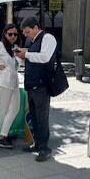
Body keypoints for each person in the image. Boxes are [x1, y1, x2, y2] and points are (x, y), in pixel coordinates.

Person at [15, 17, 57, 162]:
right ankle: (38, 144)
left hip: (42, 85)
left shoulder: (48, 38)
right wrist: (22, 55)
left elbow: (45, 57)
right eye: (25, 33)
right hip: (32, 85)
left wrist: (26, 54)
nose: (26, 35)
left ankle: (45, 148)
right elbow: (32, 57)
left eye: (27, 32)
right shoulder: (33, 41)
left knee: (42, 117)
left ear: (35, 27)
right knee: (34, 116)